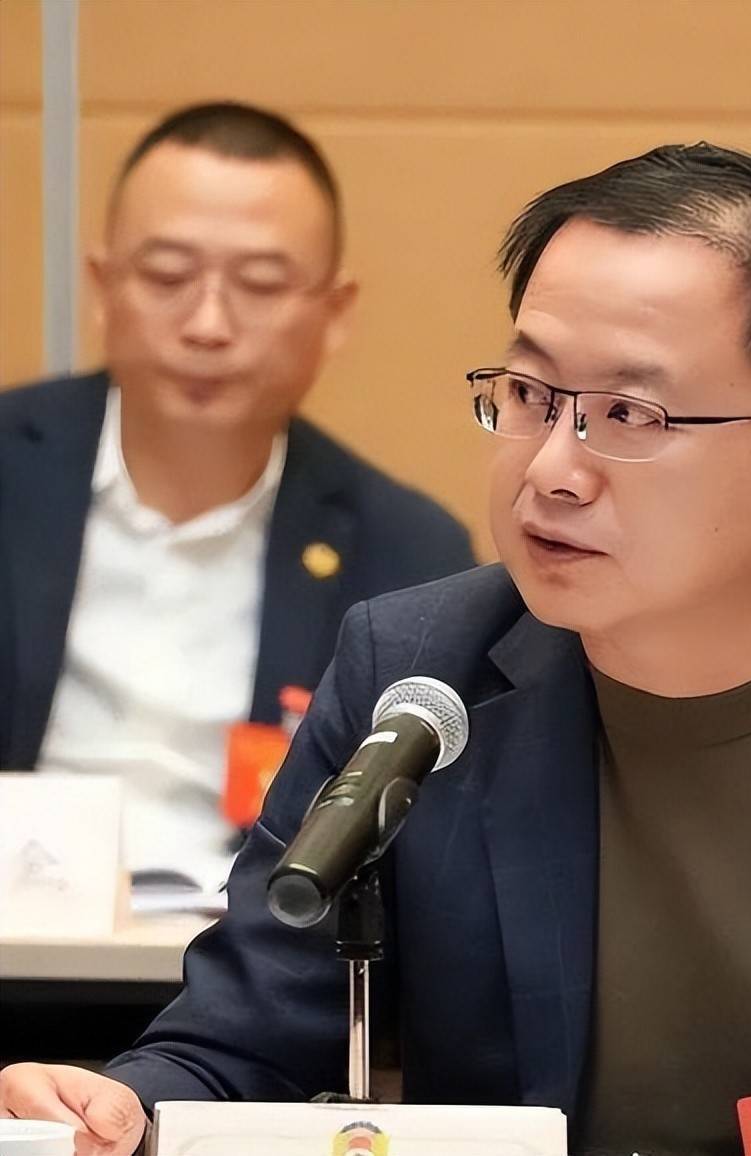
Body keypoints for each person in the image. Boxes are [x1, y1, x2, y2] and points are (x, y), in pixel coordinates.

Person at [0, 144, 751, 1156]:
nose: (550, 469)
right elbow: (240, 1040)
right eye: (530, 396)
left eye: (629, 415)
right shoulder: (415, 672)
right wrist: (121, 1103)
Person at [0, 103, 473, 879]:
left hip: (252, 947)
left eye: (258, 284)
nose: (208, 324)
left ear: (334, 314)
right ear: (102, 286)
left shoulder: (406, 554)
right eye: (167, 276)